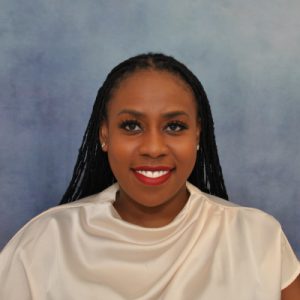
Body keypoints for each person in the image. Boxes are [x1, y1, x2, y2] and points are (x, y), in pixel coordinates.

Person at [0, 53, 299, 299]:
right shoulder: (42, 243)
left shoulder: (258, 238)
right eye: (131, 126)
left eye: (174, 127)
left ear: (198, 134)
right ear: (104, 135)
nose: (153, 148)